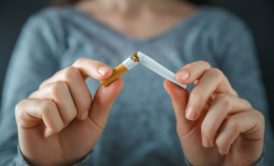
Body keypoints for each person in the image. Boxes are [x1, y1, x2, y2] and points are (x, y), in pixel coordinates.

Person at [0, 0, 273, 165]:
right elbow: (7, 154)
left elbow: (261, 151)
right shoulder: (50, 28)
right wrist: (39, 163)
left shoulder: (222, 30)